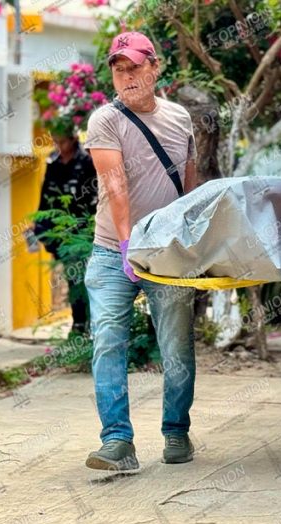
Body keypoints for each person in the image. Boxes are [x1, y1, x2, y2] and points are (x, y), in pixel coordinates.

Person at [82, 31, 199, 471]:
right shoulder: (104, 121)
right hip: (115, 249)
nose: (126, 76)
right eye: (118, 69)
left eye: (135, 67)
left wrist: (193, 241)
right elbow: (116, 184)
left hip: (167, 252)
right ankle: (117, 441)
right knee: (109, 341)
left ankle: (176, 431)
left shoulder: (180, 119)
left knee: (176, 347)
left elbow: (189, 188)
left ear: (155, 67)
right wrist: (130, 244)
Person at [33, 132, 97, 335]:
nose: (59, 145)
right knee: (73, 277)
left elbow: (94, 196)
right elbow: (45, 198)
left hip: (83, 230)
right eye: (56, 141)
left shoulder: (87, 162)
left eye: (62, 141)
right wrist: (39, 224)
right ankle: (79, 325)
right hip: (60, 231)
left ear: (73, 139)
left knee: (89, 278)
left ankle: (91, 325)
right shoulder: (53, 163)